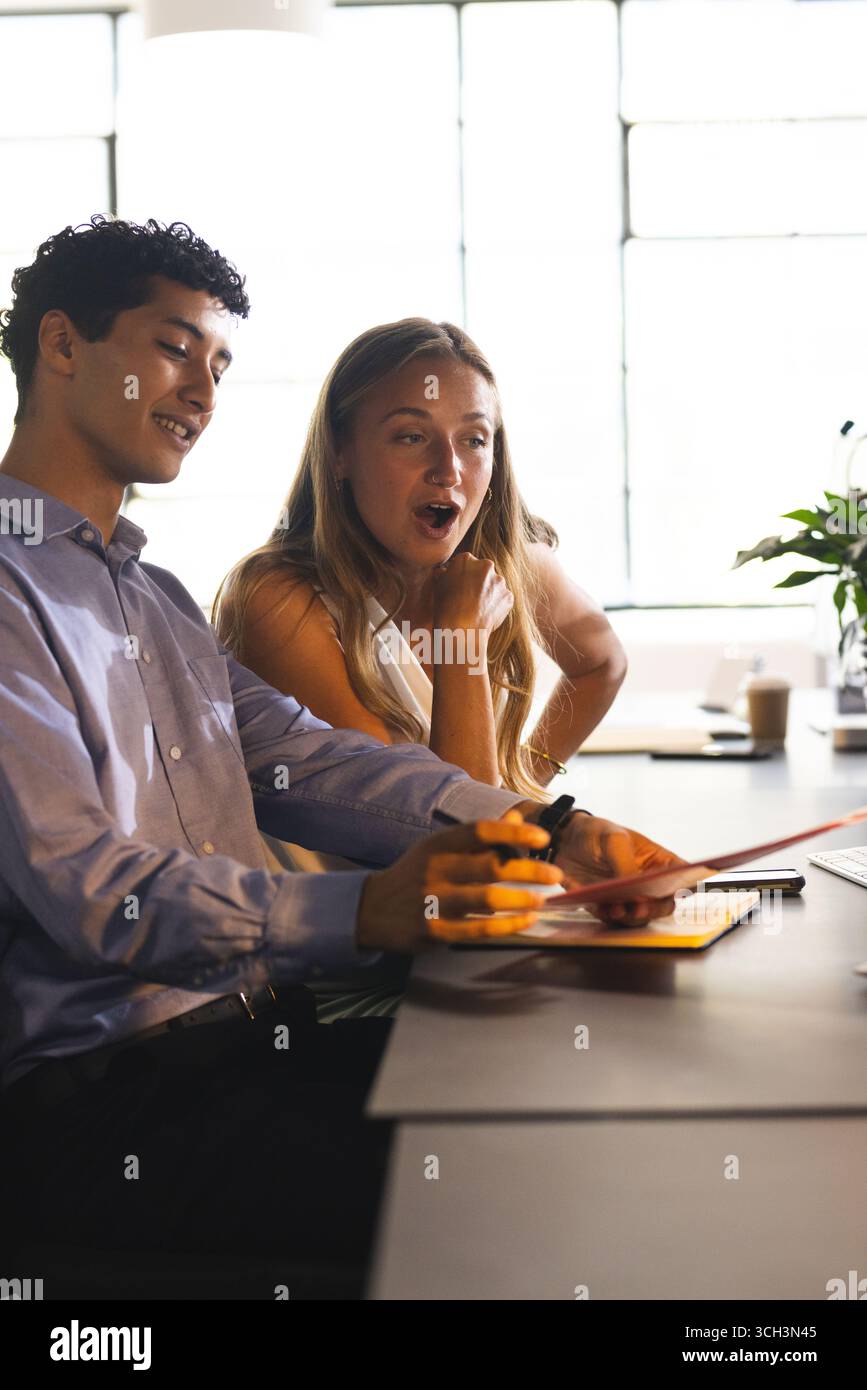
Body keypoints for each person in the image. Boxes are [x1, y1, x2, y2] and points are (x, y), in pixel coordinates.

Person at [0, 216, 687, 1297]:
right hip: (100, 1101)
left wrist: (550, 826)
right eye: (176, 348)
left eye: (219, 365)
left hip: (246, 1037)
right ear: (62, 345)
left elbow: (316, 765)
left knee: (574, 1088)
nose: (203, 393)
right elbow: (91, 888)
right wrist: (363, 911)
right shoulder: (9, 591)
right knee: (532, 1185)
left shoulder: (158, 602)